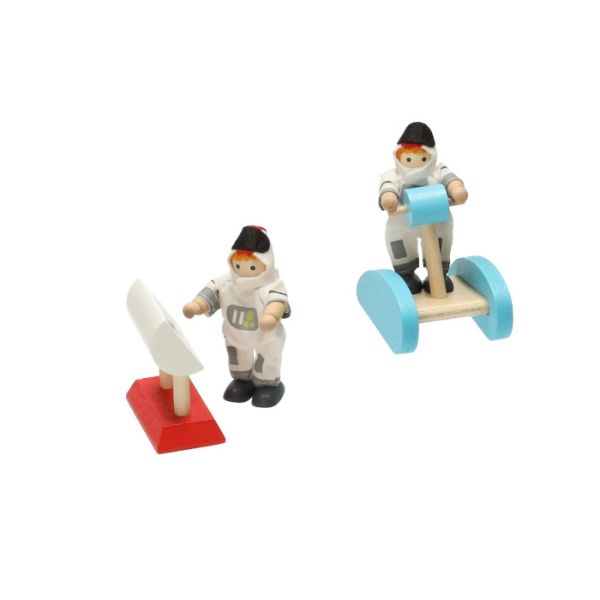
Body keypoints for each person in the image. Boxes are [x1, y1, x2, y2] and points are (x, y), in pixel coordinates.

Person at [183, 226, 290, 408]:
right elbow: (210, 293)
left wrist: (271, 315)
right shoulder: (226, 282)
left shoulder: (270, 284)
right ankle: (242, 381)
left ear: (267, 264)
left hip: (265, 336)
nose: (242, 270)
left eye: (252, 266)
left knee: (266, 360)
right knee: (238, 359)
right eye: (238, 265)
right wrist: (196, 306)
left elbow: (277, 301)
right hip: (235, 335)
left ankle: (268, 385)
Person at [379, 122, 468, 294]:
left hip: (437, 219)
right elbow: (388, 188)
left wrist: (457, 190)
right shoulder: (393, 175)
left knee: (441, 241)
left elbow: (452, 181)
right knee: (399, 242)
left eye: (422, 158)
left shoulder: (438, 170)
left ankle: (438, 275)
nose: (414, 163)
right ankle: (406, 275)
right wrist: (389, 198)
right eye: (408, 158)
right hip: (402, 221)